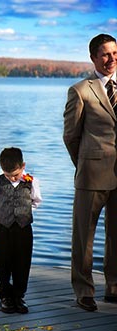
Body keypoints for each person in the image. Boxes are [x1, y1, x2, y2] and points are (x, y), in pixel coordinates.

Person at [63, 33, 117, 312]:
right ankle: (84, 291)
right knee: (84, 237)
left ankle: (114, 287)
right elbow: (70, 136)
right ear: (94, 57)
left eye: (115, 53)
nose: (112, 59)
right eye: (106, 54)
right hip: (91, 173)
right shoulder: (81, 90)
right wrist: (84, 163)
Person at [0, 147, 42, 313]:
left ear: (23, 166)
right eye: (8, 175)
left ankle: (19, 296)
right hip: (3, 227)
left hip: (23, 227)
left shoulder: (31, 181)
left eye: (15, 174)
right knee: (3, 261)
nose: (12, 177)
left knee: (22, 262)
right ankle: (5, 296)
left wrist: (24, 213)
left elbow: (36, 201)